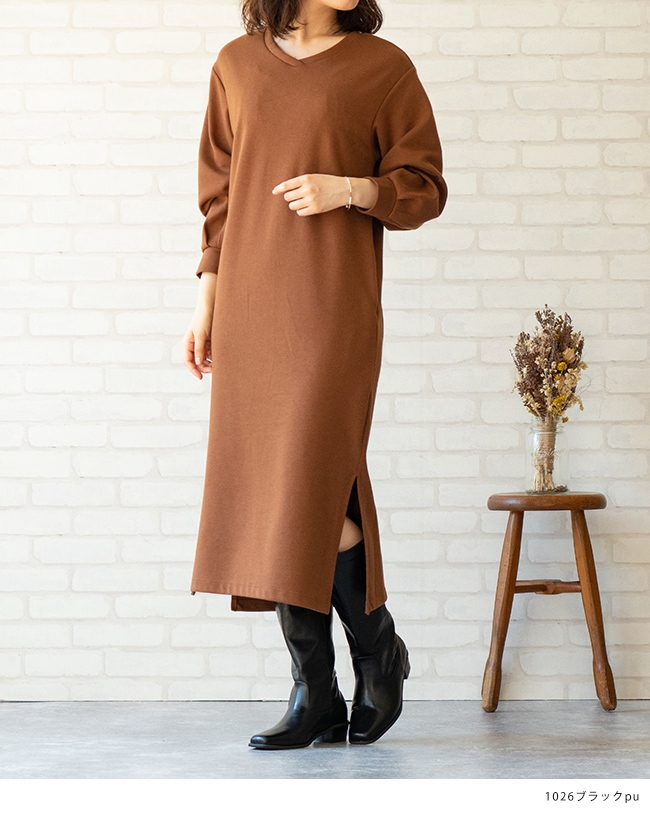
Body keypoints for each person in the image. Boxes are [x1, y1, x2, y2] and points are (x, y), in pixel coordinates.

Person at [183, 0, 447, 750]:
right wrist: (206, 302)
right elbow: (221, 195)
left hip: (333, 303)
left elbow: (423, 186)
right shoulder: (236, 64)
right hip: (249, 302)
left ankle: (375, 651)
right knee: (276, 490)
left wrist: (351, 189)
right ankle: (318, 691)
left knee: (306, 480)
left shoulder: (382, 68)